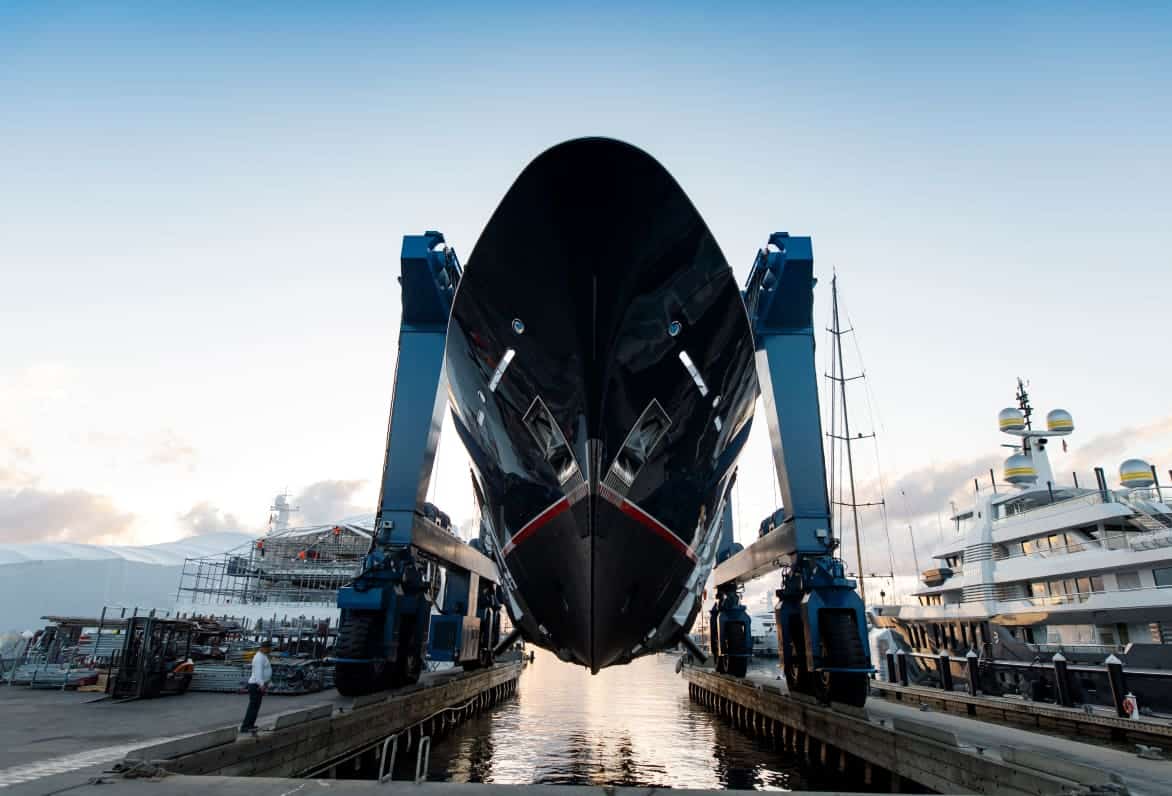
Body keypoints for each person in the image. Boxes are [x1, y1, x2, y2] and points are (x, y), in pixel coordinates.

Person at [240, 641, 273, 734]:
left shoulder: (263, 656)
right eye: (269, 648)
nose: (270, 650)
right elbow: (258, 673)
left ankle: (250, 725)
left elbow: (266, 671)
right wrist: (261, 685)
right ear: (264, 648)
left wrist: (268, 684)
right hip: (256, 685)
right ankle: (245, 727)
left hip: (258, 685)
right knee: (253, 707)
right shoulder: (259, 658)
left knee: (255, 707)